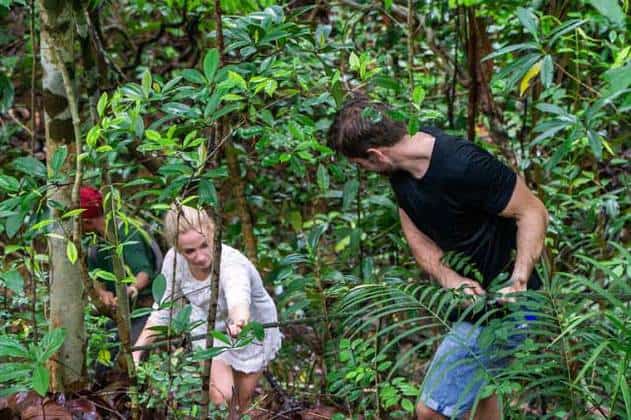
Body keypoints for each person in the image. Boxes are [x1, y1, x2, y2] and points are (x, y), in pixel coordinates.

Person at [328, 95, 548, 420]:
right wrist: (450, 278)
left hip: (514, 306)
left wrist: (518, 280)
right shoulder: (400, 172)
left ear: (376, 154)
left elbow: (533, 211)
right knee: (479, 400)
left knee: (430, 411)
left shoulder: (463, 164)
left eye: (361, 165)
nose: (363, 172)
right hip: (473, 306)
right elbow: (418, 240)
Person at [132, 204, 282, 412]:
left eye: (204, 245)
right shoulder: (174, 260)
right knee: (221, 398)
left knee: (240, 402)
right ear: (176, 246)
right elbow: (164, 308)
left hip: (251, 327)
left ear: (212, 233)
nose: (200, 256)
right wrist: (137, 351)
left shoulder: (231, 262)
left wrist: (239, 322)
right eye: (189, 251)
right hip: (208, 326)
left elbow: (238, 294)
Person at [80, 186, 160, 343]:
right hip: (117, 312)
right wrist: (103, 293)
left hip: (144, 309)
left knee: (135, 349)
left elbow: (144, 272)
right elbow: (95, 274)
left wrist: (131, 289)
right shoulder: (95, 243)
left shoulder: (127, 232)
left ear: (86, 222)